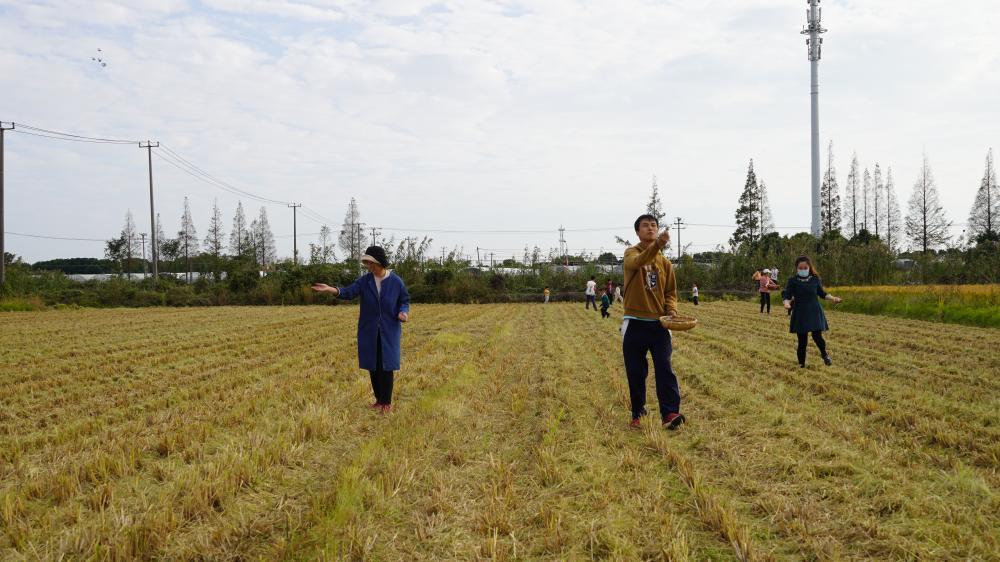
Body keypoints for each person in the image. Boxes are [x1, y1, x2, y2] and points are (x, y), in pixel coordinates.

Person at [311, 246, 410, 413]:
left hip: (389, 330)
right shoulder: (365, 281)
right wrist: (331, 289)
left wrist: (403, 312)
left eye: (371, 263)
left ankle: (386, 402)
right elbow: (349, 292)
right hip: (369, 330)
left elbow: (404, 300)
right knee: (373, 365)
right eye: (367, 264)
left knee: (386, 366)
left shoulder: (396, 281)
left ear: (380, 262)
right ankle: (379, 400)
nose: (369, 267)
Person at [621, 214, 684, 430]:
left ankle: (670, 413)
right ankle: (638, 412)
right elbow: (639, 262)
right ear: (638, 232)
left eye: (654, 225)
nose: (650, 228)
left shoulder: (665, 263)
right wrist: (657, 245)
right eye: (645, 226)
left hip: (659, 325)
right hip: (635, 322)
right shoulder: (630, 253)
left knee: (665, 368)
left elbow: (671, 292)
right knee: (636, 370)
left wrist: (672, 310)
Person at [781, 255, 842, 368]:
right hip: (800, 312)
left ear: (809, 267)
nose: (803, 270)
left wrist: (833, 298)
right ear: (797, 268)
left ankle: (824, 355)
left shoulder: (815, 279)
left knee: (817, 336)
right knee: (802, 341)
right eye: (801, 268)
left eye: (805, 267)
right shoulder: (792, 281)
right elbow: (787, 295)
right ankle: (801, 365)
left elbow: (822, 294)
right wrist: (786, 303)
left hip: (814, 310)